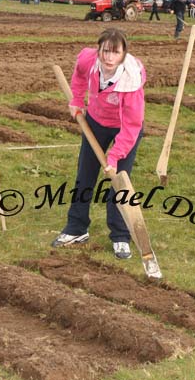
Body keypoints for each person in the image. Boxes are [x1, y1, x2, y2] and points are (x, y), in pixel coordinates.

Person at [51, 28, 146, 260]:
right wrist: (76, 99)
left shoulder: (131, 81)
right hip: (95, 121)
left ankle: (120, 235)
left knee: (119, 179)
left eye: (115, 52)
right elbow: (79, 74)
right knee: (85, 175)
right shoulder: (88, 59)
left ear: (124, 55)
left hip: (124, 128)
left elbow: (132, 126)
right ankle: (76, 228)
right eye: (105, 51)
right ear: (99, 50)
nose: (109, 57)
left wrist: (114, 157)